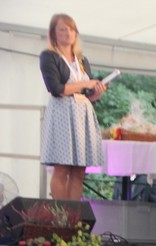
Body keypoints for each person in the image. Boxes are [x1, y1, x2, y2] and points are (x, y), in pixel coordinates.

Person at [39, 14, 105, 201]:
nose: (68, 33)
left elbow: (86, 94)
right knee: (62, 168)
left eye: (71, 29)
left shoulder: (82, 60)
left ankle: (73, 214)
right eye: (62, 29)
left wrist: (96, 93)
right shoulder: (49, 56)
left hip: (82, 115)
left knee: (79, 170)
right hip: (62, 113)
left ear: (76, 33)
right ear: (54, 33)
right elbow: (56, 89)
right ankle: (60, 214)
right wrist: (85, 84)